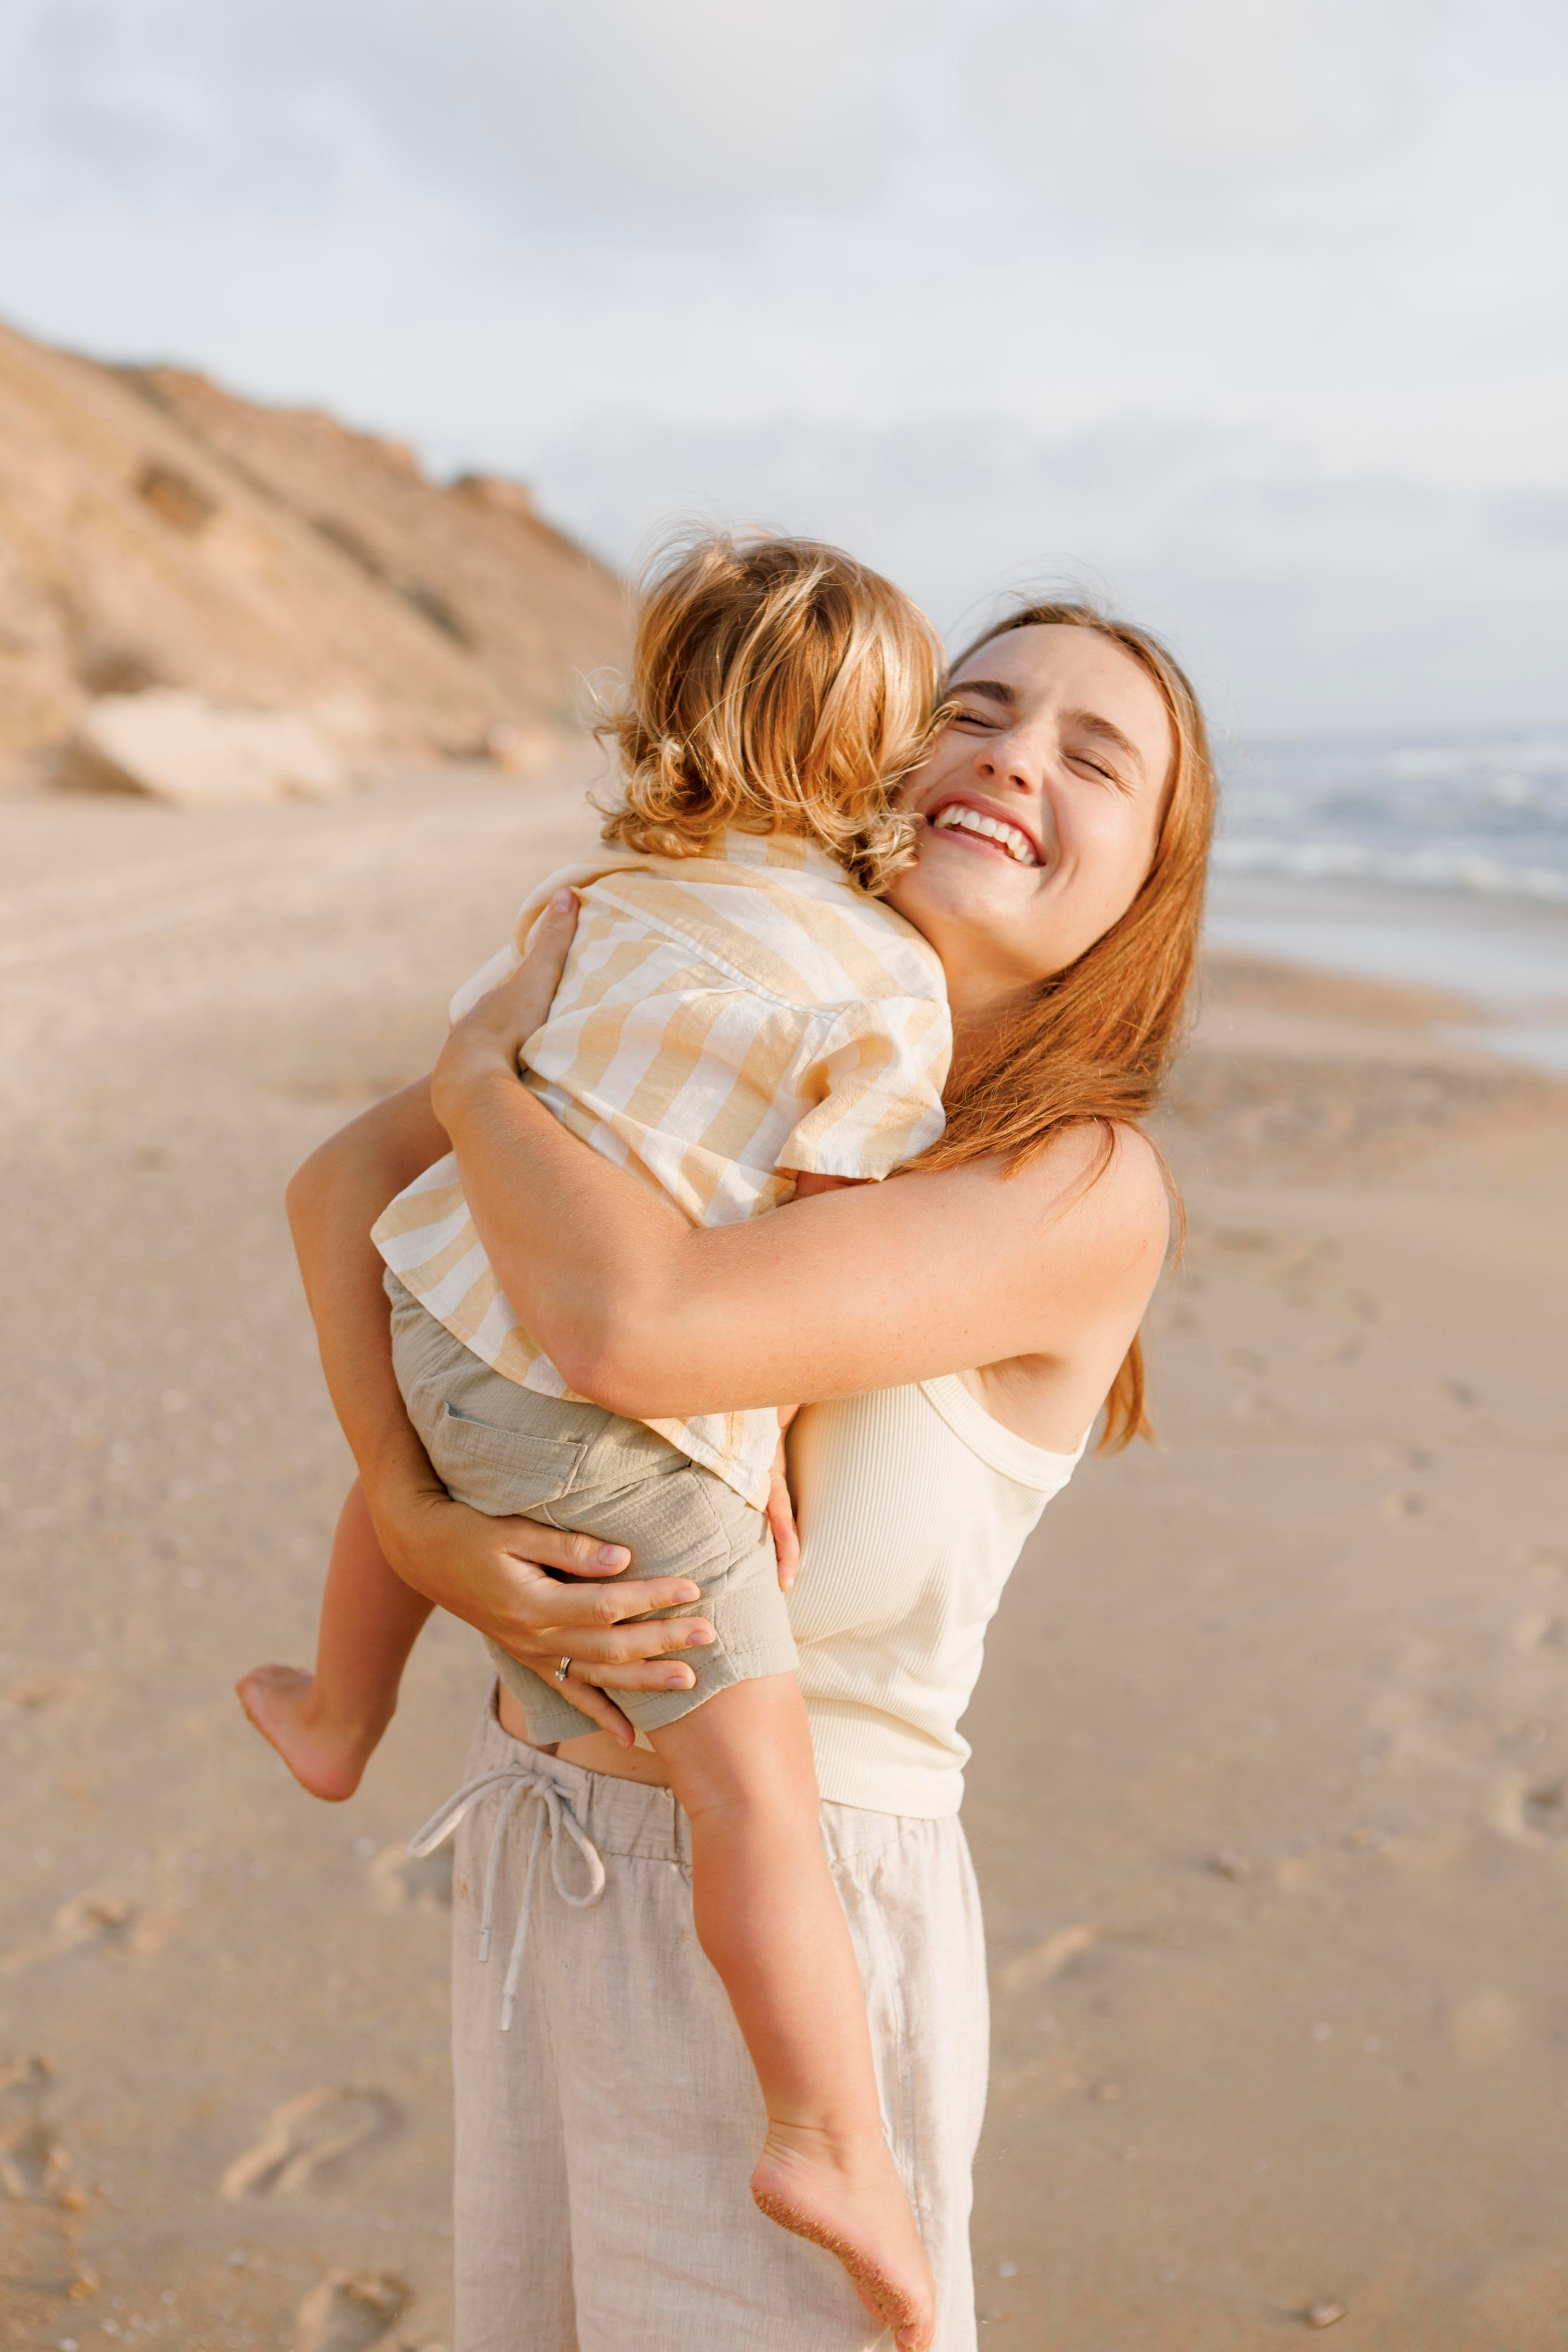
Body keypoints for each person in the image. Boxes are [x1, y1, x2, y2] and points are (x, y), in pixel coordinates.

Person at [282, 601, 1215, 2348]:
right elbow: (341, 1199)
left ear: (1145, 890)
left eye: (1094, 757)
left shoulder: (1083, 1187)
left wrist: (484, 1084)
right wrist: (411, 1521)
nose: (1017, 754)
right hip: (548, 1852)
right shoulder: (709, 1042)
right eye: (982, 711)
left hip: (808, 1915)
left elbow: (625, 1331)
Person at [243, 530, 958, 2342]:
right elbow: (800, 1237)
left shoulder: (596, 910)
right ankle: (820, 2130)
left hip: (443, 1318)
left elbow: (493, 1118)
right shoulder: (879, 980)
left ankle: (337, 1713)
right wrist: (763, 1462)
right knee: (757, 1798)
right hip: (597, 1400)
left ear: (679, 716)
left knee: (425, 1460)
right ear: (882, 752)